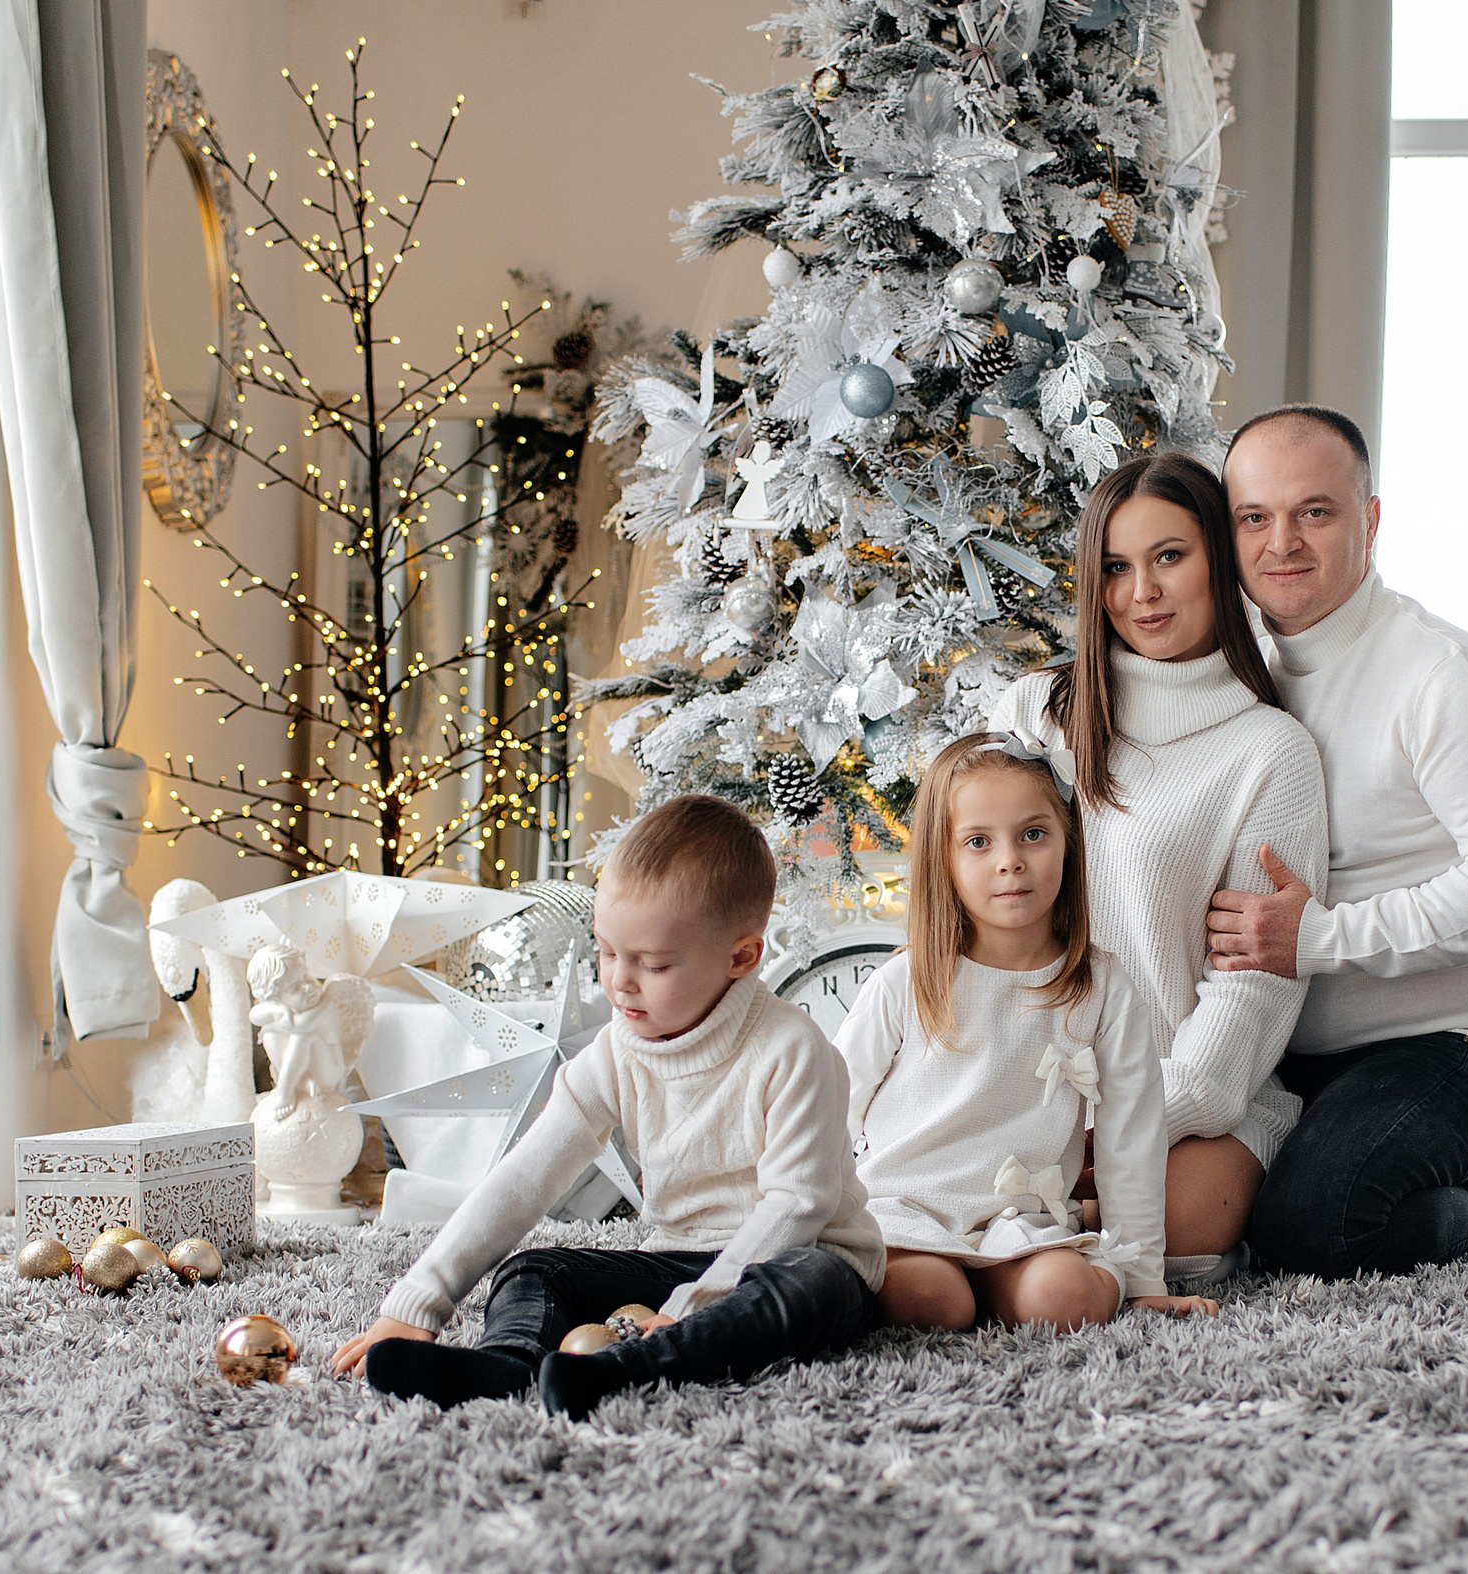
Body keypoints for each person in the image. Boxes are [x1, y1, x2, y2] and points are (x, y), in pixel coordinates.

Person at [329, 795, 887, 1419]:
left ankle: (629, 1370)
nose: (618, 981)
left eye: (651, 964)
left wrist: (687, 1308)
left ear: (741, 958)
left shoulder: (792, 1049)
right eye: (607, 952)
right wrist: (416, 1303)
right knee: (535, 1269)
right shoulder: (616, 1051)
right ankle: (510, 1363)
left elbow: (797, 1205)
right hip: (680, 1254)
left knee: (808, 1284)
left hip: (801, 1256)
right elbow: (522, 1180)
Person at [1206, 405, 1468, 1277]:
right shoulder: (1232, 675)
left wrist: (1321, 937)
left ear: (1369, 520)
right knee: (1194, 1221)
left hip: (1454, 1051)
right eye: (1254, 517)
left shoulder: (1446, 677)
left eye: (1315, 512)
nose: (1282, 542)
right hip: (1284, 1053)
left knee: (1311, 1230)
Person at [990, 452, 1329, 1292]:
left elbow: (1250, 991)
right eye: (1116, 567)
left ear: (1218, 557)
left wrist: (1118, 1132)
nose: (1141, 591)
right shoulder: (1041, 710)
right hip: (1032, 1085)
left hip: (1191, 1097)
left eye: (1169, 557)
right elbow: (967, 899)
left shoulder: (1269, 752)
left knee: (1171, 1235)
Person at [836, 733, 1215, 1331]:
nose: (1009, 860)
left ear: (1068, 844)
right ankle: (961, 1285)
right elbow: (832, 1105)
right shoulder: (907, 980)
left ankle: (999, 1282)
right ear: (944, 860)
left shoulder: (1103, 986)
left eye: (1033, 834)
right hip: (909, 1210)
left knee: (1065, 1301)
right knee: (933, 1303)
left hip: (1022, 1222)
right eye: (978, 842)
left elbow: (1130, 1141)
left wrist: (1143, 1280)